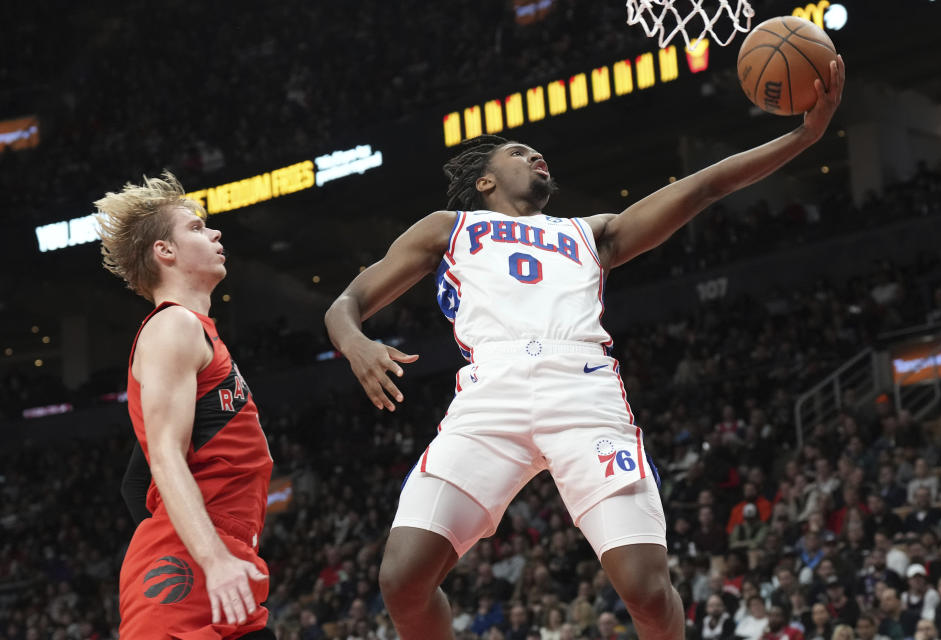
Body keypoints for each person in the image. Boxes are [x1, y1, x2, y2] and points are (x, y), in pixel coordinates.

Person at [324, 56, 845, 640]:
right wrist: (356, 343)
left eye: (536, 151)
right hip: (489, 398)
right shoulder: (449, 227)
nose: (534, 155)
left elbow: (706, 185)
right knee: (401, 580)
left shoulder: (591, 231)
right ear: (485, 181)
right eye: (518, 152)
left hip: (582, 390)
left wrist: (804, 135)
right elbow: (344, 303)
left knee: (647, 591)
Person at [96, 173, 275, 639]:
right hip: (188, 575)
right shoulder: (173, 326)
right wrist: (206, 555)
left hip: (220, 557)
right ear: (165, 251)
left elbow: (136, 481)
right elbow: (164, 457)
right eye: (196, 228)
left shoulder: (196, 332)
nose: (215, 233)